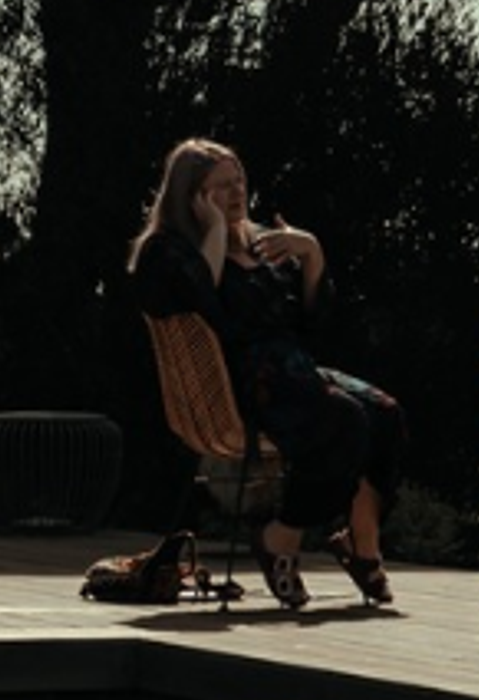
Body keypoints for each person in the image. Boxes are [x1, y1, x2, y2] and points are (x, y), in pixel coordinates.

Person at [129, 137, 405, 613]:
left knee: (386, 414)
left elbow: (312, 325)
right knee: (344, 421)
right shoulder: (165, 251)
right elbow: (206, 308)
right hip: (237, 383)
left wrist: (312, 255)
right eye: (221, 187)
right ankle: (282, 536)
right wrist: (215, 231)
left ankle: (361, 544)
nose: (237, 193)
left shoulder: (260, 241)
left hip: (293, 368)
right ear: (191, 194)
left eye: (240, 181)